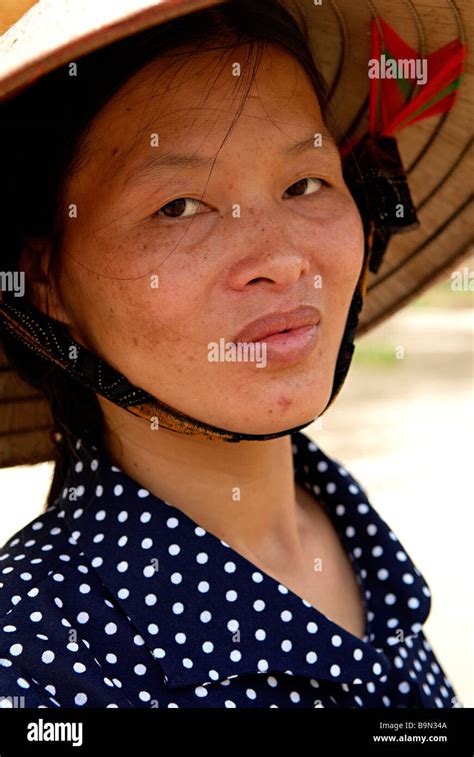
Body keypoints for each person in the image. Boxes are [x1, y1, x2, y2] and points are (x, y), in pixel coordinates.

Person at [0, 0, 468, 708]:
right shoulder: (38, 658)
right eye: (181, 206)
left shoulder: (351, 536)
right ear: (44, 279)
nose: (282, 260)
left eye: (305, 184)